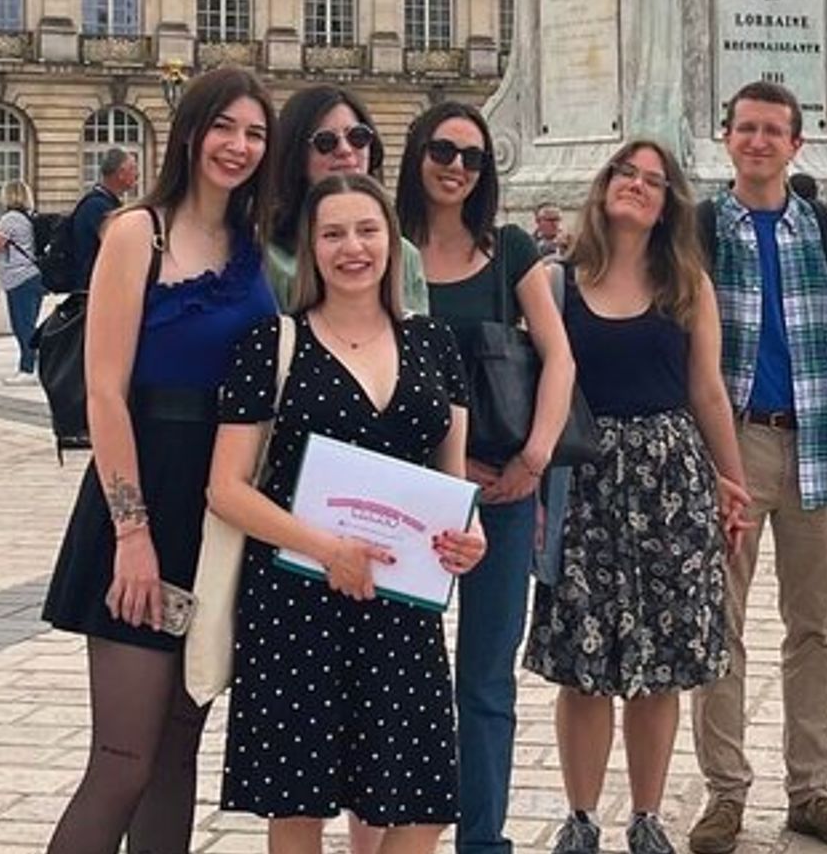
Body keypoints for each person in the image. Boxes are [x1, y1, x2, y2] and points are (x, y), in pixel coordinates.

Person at [209, 172, 488, 854]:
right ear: (310, 248)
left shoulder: (433, 344)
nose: (352, 247)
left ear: (392, 244)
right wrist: (327, 549)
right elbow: (226, 487)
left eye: (367, 231)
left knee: (421, 800)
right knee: (298, 802)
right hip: (297, 600)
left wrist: (468, 535)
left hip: (399, 603)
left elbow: (452, 480)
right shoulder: (271, 345)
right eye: (332, 234)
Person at [42, 67, 279, 854]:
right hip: (140, 503)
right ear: (190, 132)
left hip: (218, 514)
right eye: (224, 127)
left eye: (254, 133)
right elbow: (105, 395)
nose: (238, 146)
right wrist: (130, 536)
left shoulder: (253, 246)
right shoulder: (137, 232)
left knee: (178, 757)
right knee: (123, 762)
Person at [526, 142, 750, 854]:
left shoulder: (687, 286)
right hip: (584, 480)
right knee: (584, 667)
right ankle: (582, 815)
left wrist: (731, 479)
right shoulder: (561, 282)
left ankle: (648, 815)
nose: (638, 187)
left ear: (669, 204)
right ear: (604, 186)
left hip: (670, 482)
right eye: (627, 173)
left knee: (658, 666)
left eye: (655, 181)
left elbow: (707, 389)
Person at [689, 81, 827, 854]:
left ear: (796, 144)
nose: (759, 142)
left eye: (774, 131)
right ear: (726, 138)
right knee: (720, 628)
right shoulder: (699, 231)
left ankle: (811, 791)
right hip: (733, 448)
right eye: (747, 129)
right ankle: (726, 794)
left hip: (820, 446)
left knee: (815, 629)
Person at [398, 100, 575, 854]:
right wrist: (444, 464)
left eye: (472, 157)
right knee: (401, 681)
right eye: (442, 150)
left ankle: (483, 840)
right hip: (411, 491)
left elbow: (560, 358)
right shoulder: (389, 247)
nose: (457, 167)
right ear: (416, 155)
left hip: (501, 489)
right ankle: (401, 828)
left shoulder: (508, 251)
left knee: (485, 681)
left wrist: (535, 458)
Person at [262, 85, 429, 315]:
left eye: (358, 137)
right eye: (326, 141)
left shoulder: (404, 254)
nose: (345, 150)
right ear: (296, 155)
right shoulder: (267, 256)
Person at [0, 180, 45, 384]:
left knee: (23, 326)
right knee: (28, 323)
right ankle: (34, 365)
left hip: (18, 277)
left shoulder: (10, 218)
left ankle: (28, 369)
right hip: (34, 274)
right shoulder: (29, 216)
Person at [68, 148, 141, 293]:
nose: (137, 174)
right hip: (96, 287)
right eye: (133, 168)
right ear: (120, 173)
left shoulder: (100, 203)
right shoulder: (99, 207)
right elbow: (120, 248)